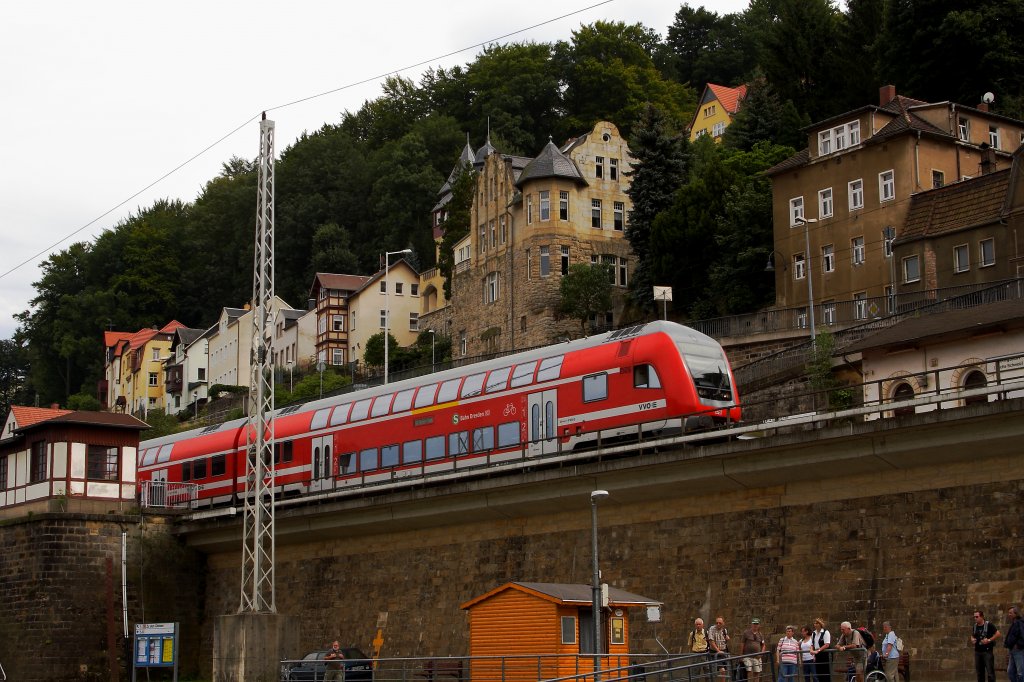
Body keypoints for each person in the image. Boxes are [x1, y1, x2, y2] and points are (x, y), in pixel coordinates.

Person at [971, 610, 1001, 682]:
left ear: (982, 617)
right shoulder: (975, 626)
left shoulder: (989, 625)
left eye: (977, 617)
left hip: (987, 652)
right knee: (979, 673)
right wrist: (972, 639)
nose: (975, 618)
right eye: (974, 617)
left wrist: (989, 640)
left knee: (990, 672)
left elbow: (998, 634)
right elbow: (972, 635)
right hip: (977, 652)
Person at [742, 617, 767, 682]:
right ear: (751, 624)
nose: (755, 625)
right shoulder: (746, 633)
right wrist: (741, 655)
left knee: (757, 672)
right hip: (747, 656)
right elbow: (742, 644)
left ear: (759, 625)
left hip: (757, 657)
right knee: (749, 671)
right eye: (754, 624)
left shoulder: (760, 634)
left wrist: (761, 654)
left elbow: (763, 645)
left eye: (756, 624)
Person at [708, 616, 731, 682]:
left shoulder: (724, 630)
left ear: (723, 623)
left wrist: (727, 639)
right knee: (722, 670)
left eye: (720, 623)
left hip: (723, 652)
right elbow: (711, 641)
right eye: (717, 623)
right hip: (715, 652)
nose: (718, 624)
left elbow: (724, 642)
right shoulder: (712, 629)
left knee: (725, 671)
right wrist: (718, 651)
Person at [1006, 606, 1024, 682]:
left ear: (1015, 614)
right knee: (1010, 672)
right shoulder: (1014, 623)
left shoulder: (1020, 622)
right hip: (1012, 651)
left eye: (1011, 613)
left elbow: (1023, 636)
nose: (1009, 614)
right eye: (1009, 613)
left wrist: (1018, 645)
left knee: (1020, 672)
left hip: (1018, 651)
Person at [810, 617, 832, 682]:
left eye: (817, 623)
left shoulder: (825, 632)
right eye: (814, 623)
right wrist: (811, 650)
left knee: (825, 672)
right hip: (817, 654)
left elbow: (827, 644)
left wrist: (818, 650)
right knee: (818, 672)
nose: (815, 624)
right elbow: (812, 644)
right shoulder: (813, 633)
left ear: (820, 624)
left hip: (824, 654)